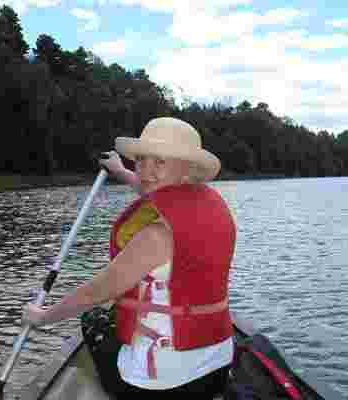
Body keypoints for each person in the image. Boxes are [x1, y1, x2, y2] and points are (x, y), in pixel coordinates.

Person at [23, 117, 237, 399]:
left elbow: (94, 292)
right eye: (141, 160)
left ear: (189, 170)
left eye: (159, 161)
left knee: (94, 319)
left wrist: (43, 317)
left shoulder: (156, 236)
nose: (146, 170)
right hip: (218, 366)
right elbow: (153, 186)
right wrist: (120, 171)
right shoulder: (210, 204)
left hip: (165, 383)